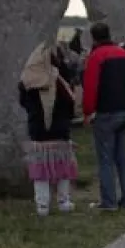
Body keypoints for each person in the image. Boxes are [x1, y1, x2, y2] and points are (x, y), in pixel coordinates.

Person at [82, 22, 125, 212]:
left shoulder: (96, 57)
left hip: (105, 113)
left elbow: (91, 87)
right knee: (121, 158)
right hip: (124, 112)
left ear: (94, 38)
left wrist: (88, 111)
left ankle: (109, 203)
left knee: (105, 160)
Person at [19, 42, 78, 216]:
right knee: (63, 169)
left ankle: (42, 205)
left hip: (38, 129)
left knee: (40, 171)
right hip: (60, 130)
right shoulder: (60, 79)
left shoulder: (27, 81)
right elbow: (70, 102)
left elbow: (24, 103)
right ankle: (64, 201)